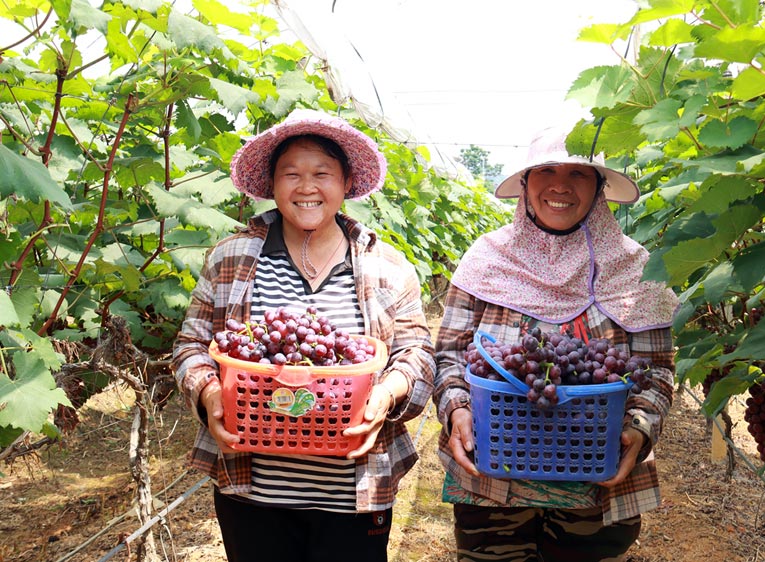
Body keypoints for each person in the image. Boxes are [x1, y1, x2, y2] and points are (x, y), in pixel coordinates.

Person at [172, 109, 435, 562]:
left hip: (353, 495)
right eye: (291, 174)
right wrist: (210, 393)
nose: (306, 187)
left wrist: (387, 394)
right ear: (273, 184)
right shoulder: (231, 257)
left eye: (322, 173)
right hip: (253, 494)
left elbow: (418, 355)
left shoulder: (387, 267)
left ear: (346, 182)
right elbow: (190, 345)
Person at [433, 126, 679, 562]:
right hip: (492, 484)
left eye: (578, 174)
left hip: (595, 486)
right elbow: (450, 354)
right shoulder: (487, 259)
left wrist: (639, 429)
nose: (560, 185)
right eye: (546, 170)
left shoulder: (636, 268)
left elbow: (656, 370)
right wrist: (456, 408)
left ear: (599, 187)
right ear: (526, 183)